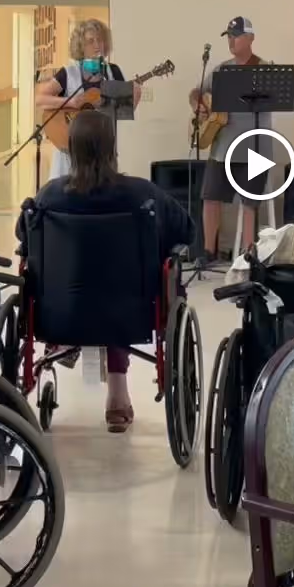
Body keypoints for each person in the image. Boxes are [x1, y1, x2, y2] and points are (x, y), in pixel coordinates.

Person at [25, 111, 191, 432]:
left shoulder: (48, 196)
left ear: (71, 150)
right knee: (124, 281)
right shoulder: (143, 195)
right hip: (131, 312)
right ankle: (118, 394)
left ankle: (59, 346)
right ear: (112, 149)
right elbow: (186, 232)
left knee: (86, 279)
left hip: (60, 313)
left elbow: (25, 242)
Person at [189, 16, 271, 266]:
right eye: (229, 36)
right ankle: (208, 252)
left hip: (256, 149)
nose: (232, 41)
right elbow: (195, 93)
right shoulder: (221, 70)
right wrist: (200, 107)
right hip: (223, 147)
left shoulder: (265, 69)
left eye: (237, 36)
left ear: (251, 38)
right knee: (210, 197)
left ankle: (247, 256)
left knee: (249, 203)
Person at [34, 18, 138, 182]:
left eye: (100, 39)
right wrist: (72, 102)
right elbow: (40, 99)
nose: (97, 45)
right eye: (91, 41)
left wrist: (134, 95)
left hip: (104, 152)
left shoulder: (113, 72)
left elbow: (122, 111)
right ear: (81, 46)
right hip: (70, 152)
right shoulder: (69, 73)